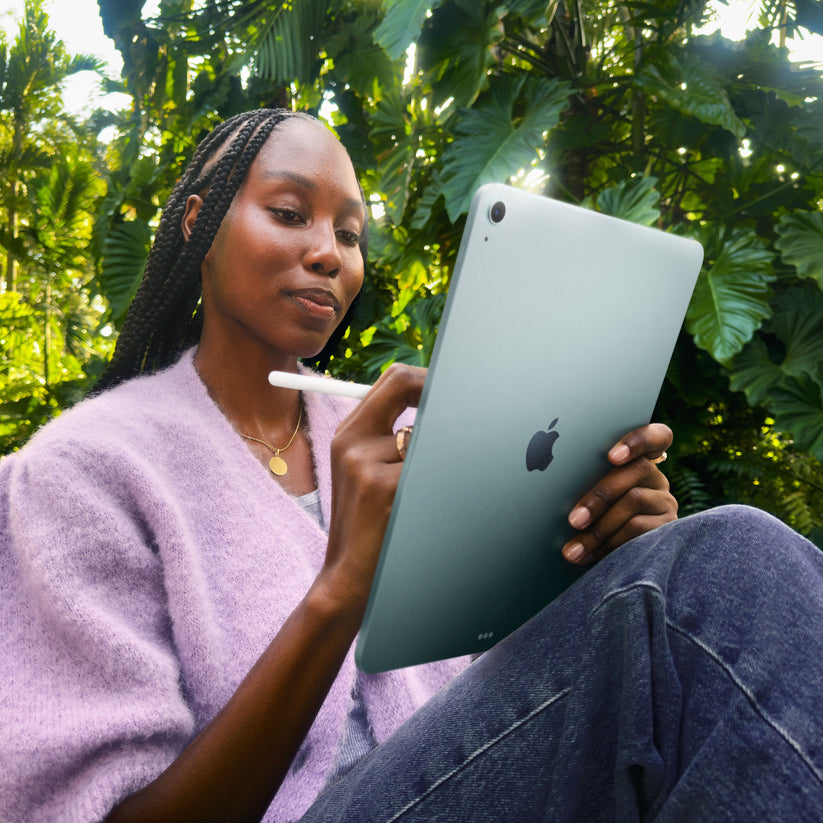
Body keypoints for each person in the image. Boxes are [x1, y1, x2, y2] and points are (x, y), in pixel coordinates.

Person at [1, 107, 822, 822]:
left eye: (352, 233)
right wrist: (340, 590)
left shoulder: (393, 433)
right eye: (290, 212)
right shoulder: (84, 470)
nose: (330, 252)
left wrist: (600, 569)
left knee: (714, 574)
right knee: (730, 564)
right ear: (197, 226)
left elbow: (490, 707)